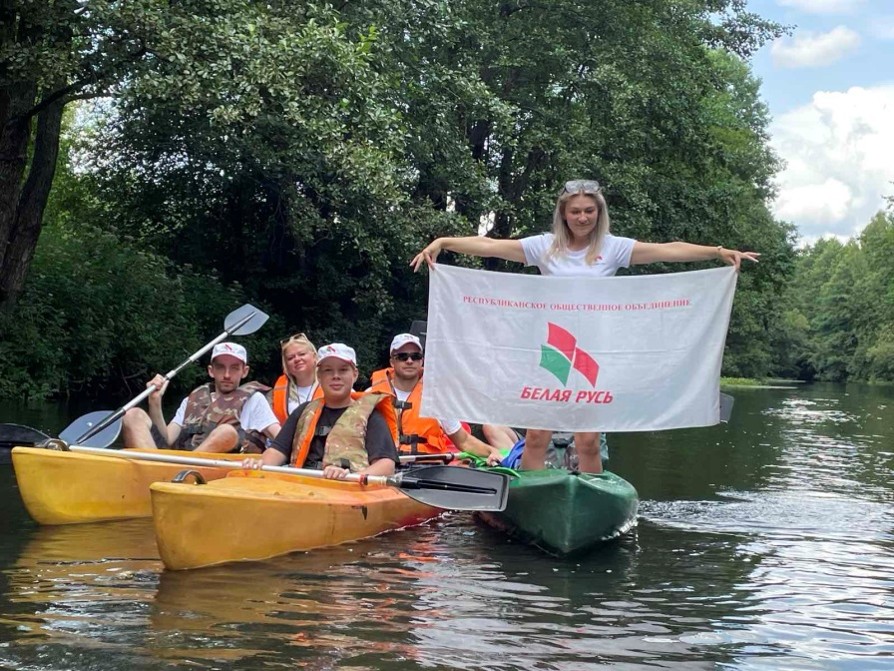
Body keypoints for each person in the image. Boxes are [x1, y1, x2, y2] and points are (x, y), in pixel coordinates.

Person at [411, 178, 759, 474]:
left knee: (589, 440)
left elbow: (666, 250)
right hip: (550, 350)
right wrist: (445, 242)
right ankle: (535, 493)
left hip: (592, 353)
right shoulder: (544, 247)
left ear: (599, 213)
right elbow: (491, 246)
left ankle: (592, 494)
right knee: (536, 436)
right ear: (564, 213)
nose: (582, 217)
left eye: (589, 211)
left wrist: (716, 251)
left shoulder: (614, 248)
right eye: (575, 211)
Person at [244, 343, 400, 479]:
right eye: (328, 370)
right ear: (319, 375)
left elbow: (386, 465)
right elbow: (278, 451)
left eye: (343, 370)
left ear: (355, 375)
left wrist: (353, 477)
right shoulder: (303, 411)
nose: (336, 376)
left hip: (347, 490)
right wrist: (259, 464)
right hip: (304, 485)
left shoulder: (371, 415)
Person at [122, 342, 281, 453]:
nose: (227, 375)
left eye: (234, 368)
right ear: (211, 371)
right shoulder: (192, 399)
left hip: (220, 469)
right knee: (132, 415)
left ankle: (179, 472)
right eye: (220, 367)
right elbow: (167, 439)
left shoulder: (255, 401)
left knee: (227, 432)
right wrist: (155, 402)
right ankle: (155, 474)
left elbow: (281, 439)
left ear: (244, 371)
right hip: (177, 464)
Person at [368, 333, 502, 465]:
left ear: (421, 361)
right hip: (384, 471)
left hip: (427, 471)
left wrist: (491, 451)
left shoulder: (437, 397)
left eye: (416, 356)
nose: (409, 361)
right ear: (392, 361)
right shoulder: (371, 395)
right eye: (403, 356)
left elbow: (463, 440)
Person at [268, 332, 324, 424]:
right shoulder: (272, 396)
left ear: (314, 357)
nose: (297, 359)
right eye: (290, 358)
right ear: (286, 365)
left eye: (302, 354)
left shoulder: (333, 387)